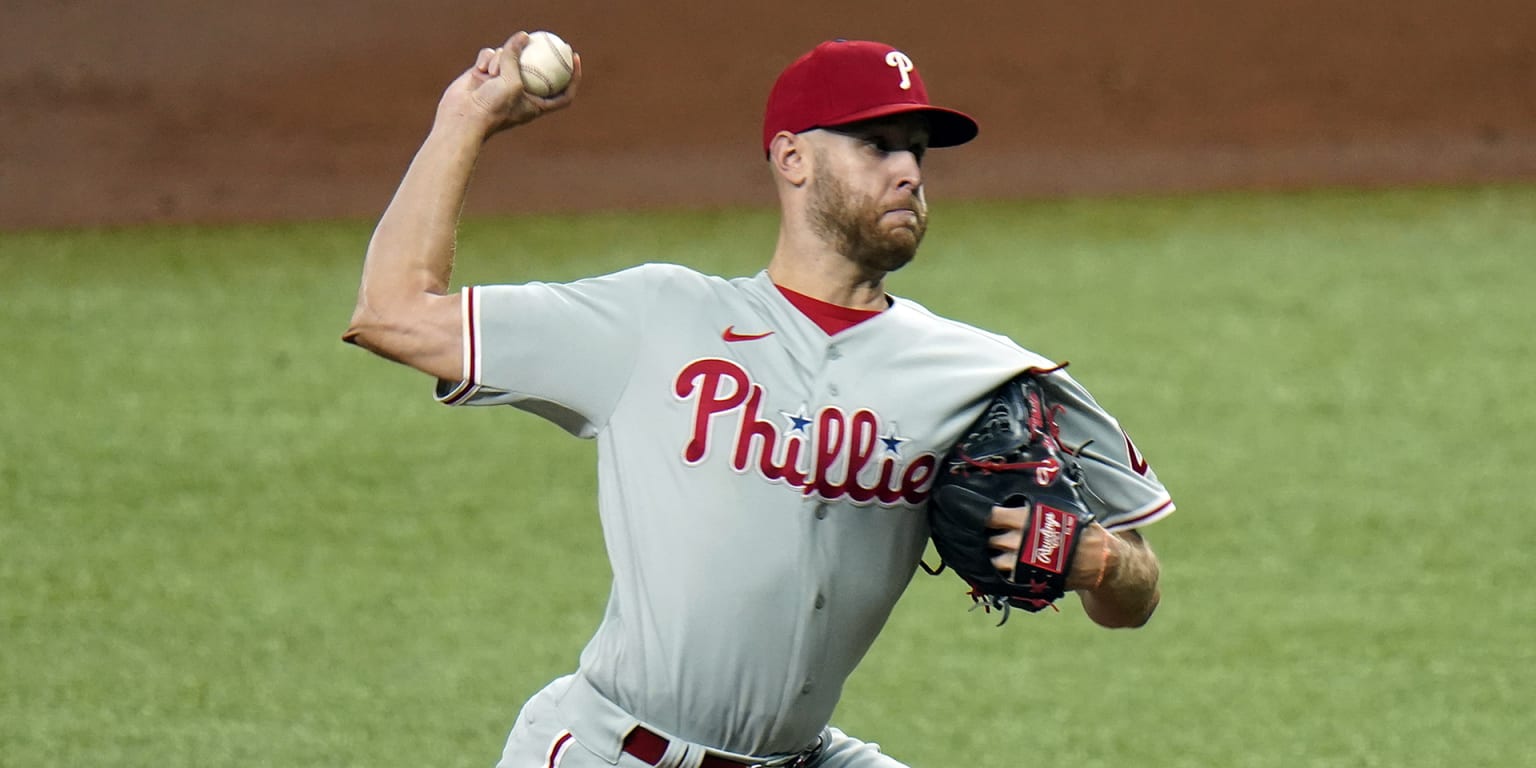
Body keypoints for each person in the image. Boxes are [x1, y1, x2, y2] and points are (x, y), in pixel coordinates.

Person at [344, 32, 1174, 768]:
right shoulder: (657, 319)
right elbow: (392, 313)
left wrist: (1101, 564)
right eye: (876, 144)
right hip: (612, 749)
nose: (909, 172)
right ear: (792, 158)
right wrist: (467, 118)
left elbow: (1135, 595)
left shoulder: (981, 373)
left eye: (918, 150)